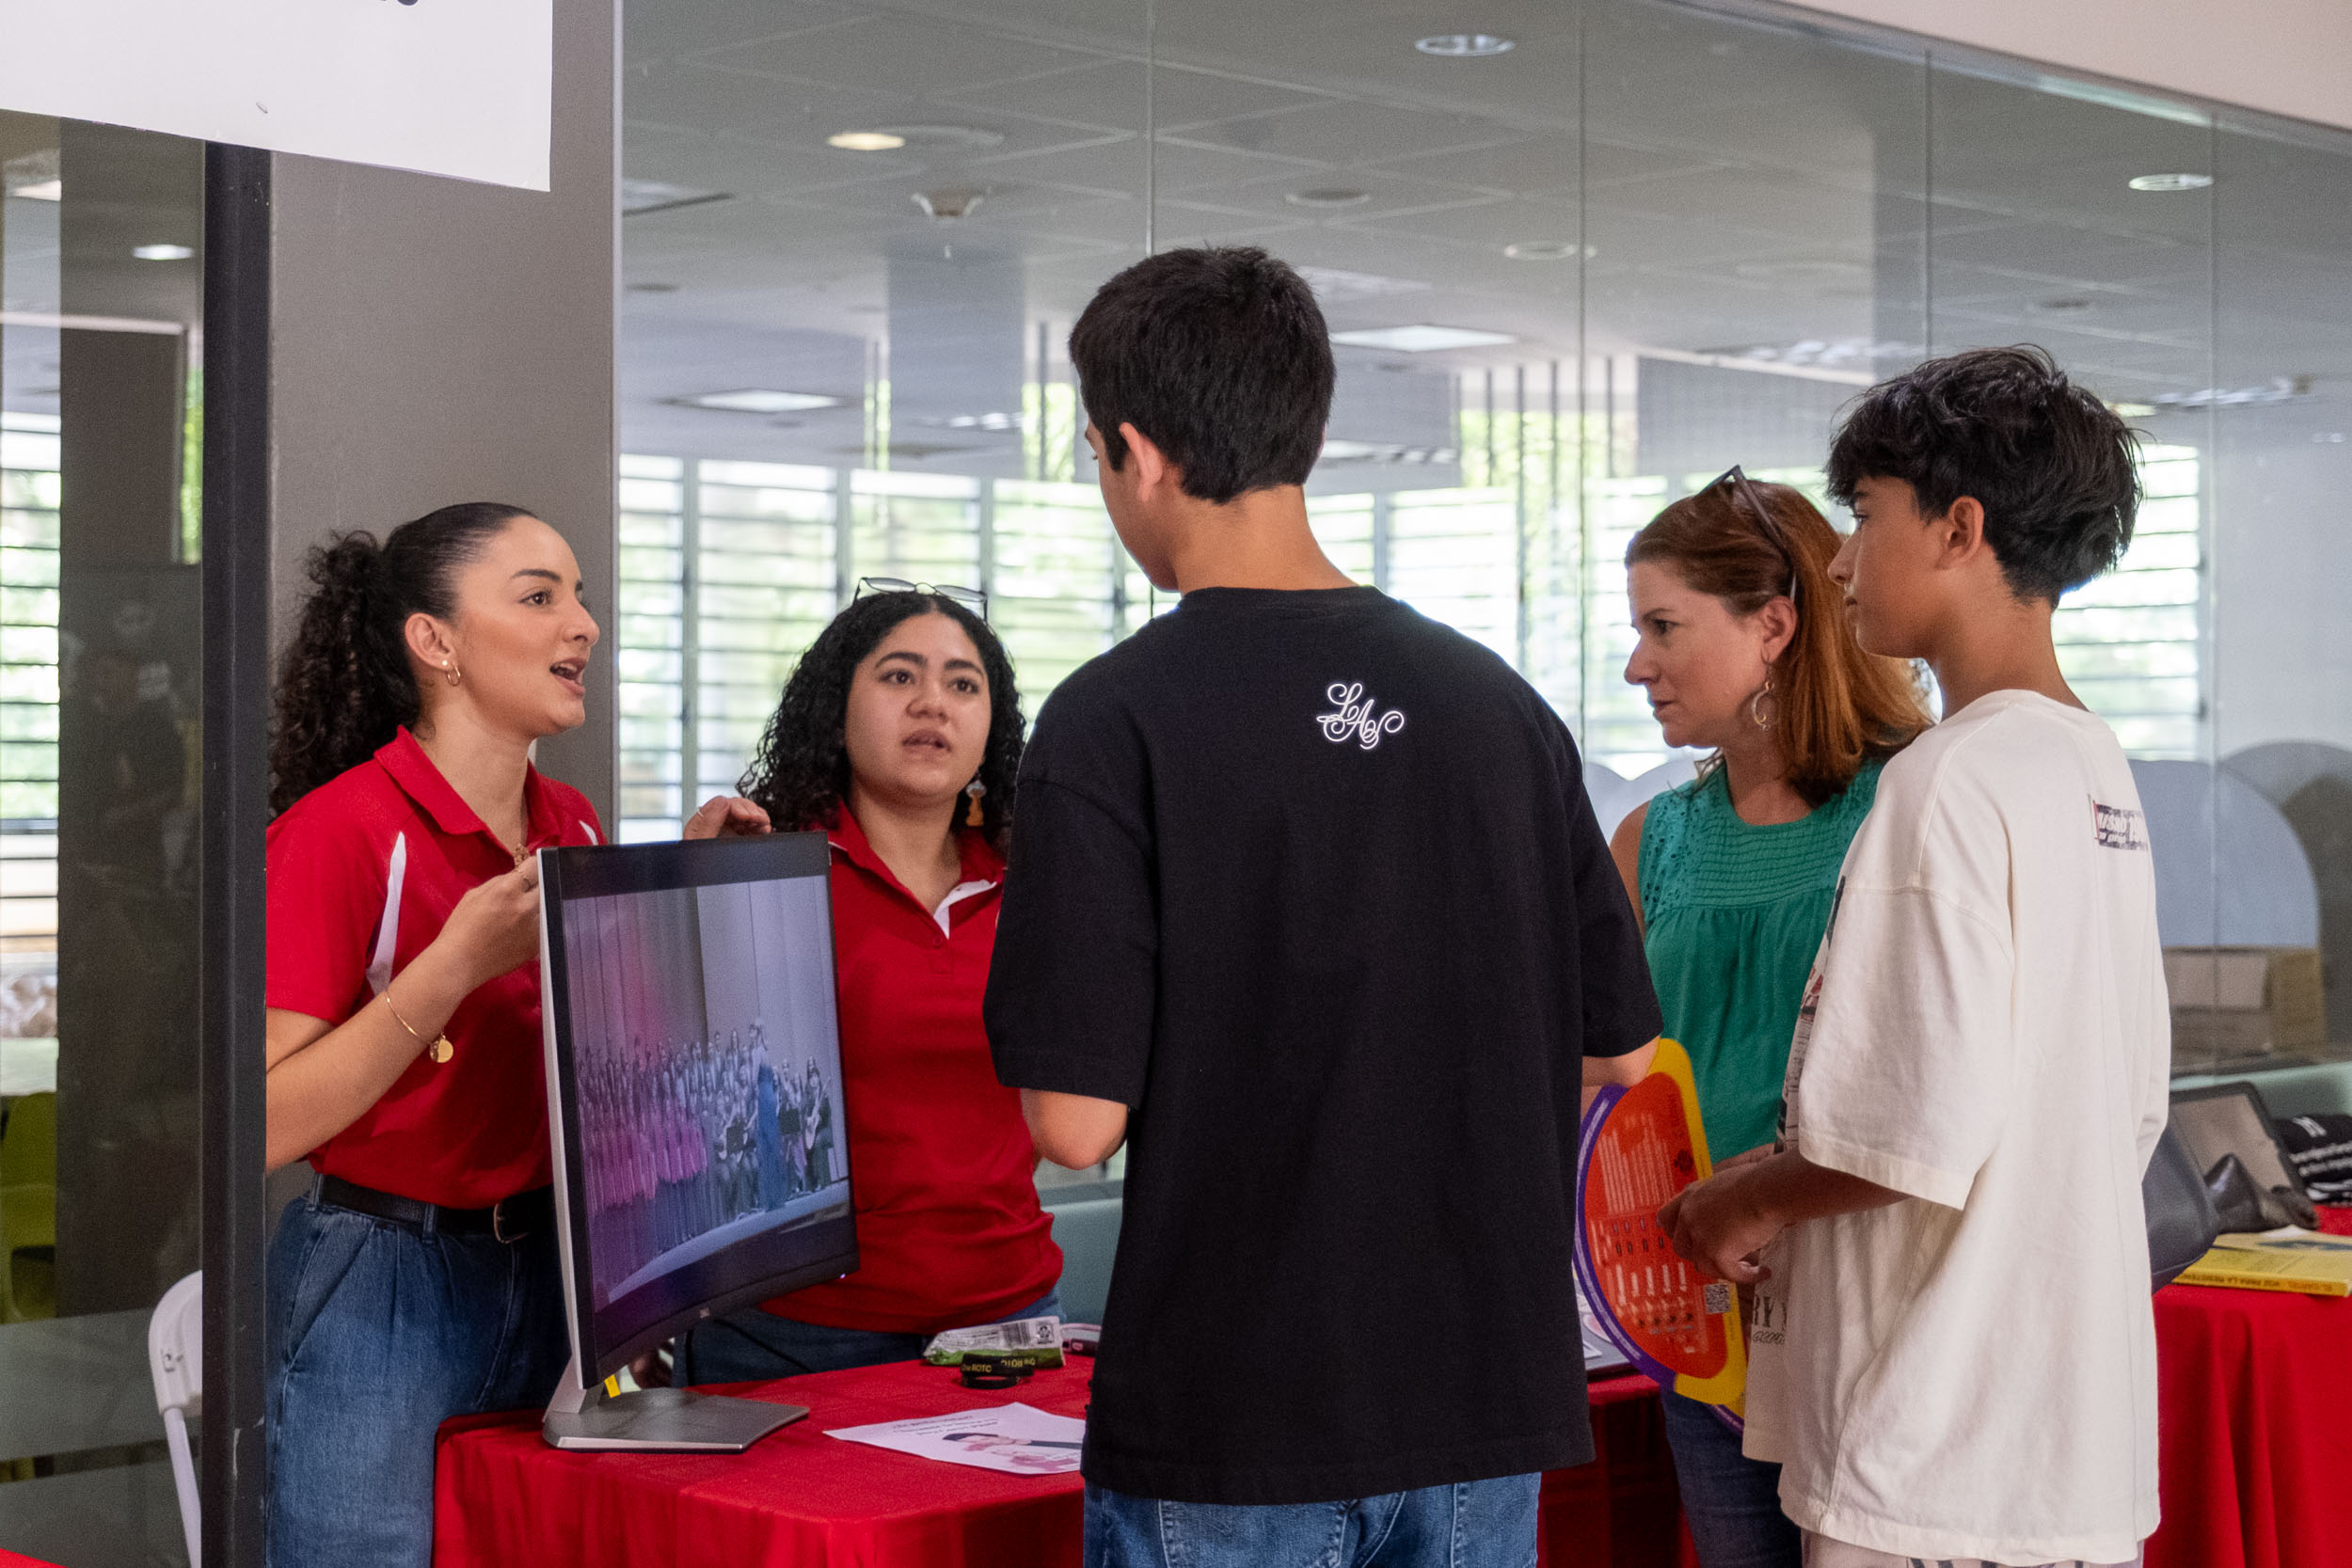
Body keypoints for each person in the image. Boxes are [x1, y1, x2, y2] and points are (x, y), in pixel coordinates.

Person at [984, 246, 1661, 1568]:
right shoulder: (1498, 708)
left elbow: (1074, 1123)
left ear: (1138, 450)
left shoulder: (1114, 717)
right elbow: (1621, 1048)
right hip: (1481, 1407)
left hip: (1236, 1412)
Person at [1659, 346, 2169, 1568]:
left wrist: (1739, 1196)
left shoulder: (1950, 777)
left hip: (1933, 1436)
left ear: (1959, 527)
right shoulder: (2090, 765)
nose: (1837, 560)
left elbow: (1904, 1129)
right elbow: (2129, 1097)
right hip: (2061, 1431)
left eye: (1864, 517)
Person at [262, 502, 762, 1568]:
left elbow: (608, 1057)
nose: (582, 624)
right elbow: (260, 1122)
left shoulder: (571, 821)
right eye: (539, 597)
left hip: (556, 1267)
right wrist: (452, 965)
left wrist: (676, 880)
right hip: (383, 1281)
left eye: (579, 595)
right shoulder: (338, 832)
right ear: (433, 640)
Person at [1607, 470, 1931, 1567]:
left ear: (1774, 625)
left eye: (1663, 626)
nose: (1635, 662)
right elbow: (1607, 1078)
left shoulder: (1905, 808)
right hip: (1699, 1316)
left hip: (1870, 1311)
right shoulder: (1650, 839)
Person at [675, 588, 1062, 1384]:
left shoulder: (1043, 885)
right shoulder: (771, 866)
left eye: (963, 684)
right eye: (898, 677)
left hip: (1008, 1321)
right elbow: (682, 1107)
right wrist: (692, 898)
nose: (933, 703)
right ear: (835, 711)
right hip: (797, 1332)